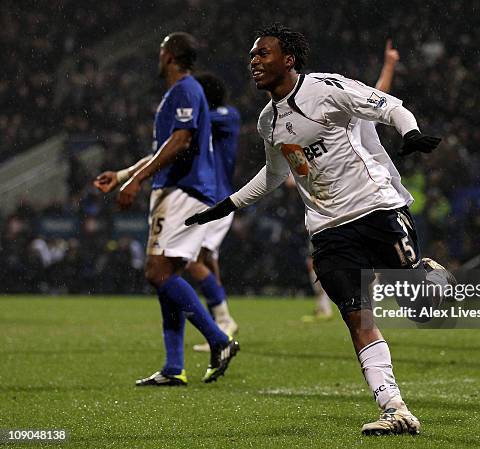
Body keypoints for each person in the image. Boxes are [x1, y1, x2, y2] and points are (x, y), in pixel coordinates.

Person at [185, 24, 453, 435]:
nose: (254, 62)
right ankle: (394, 409)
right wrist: (228, 206)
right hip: (328, 229)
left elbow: (387, 104)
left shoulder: (326, 89)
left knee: (420, 308)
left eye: (263, 54)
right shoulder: (267, 122)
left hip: (376, 209)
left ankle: (426, 277)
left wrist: (410, 132)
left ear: (288, 60)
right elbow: (274, 174)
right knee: (356, 318)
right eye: (252, 55)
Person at [93, 32, 239, 386]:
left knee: (157, 273)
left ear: (170, 55)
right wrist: (125, 174)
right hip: (180, 189)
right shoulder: (178, 94)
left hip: (182, 190)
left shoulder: (186, 89)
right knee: (166, 275)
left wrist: (137, 181)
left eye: (160, 51)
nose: (158, 57)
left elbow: (180, 141)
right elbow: (163, 148)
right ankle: (174, 367)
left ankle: (219, 339)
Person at [302, 38, 401, 323]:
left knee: (362, 259)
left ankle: (374, 297)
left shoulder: (349, 114)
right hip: (328, 202)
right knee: (332, 260)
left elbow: (379, 96)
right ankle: (340, 304)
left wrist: (389, 65)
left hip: (358, 198)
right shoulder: (316, 123)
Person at [188, 72, 240, 352]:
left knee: (191, 261)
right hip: (210, 198)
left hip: (216, 200)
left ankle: (222, 319)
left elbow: (196, 120)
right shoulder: (212, 117)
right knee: (207, 261)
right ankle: (223, 322)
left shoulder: (226, 114)